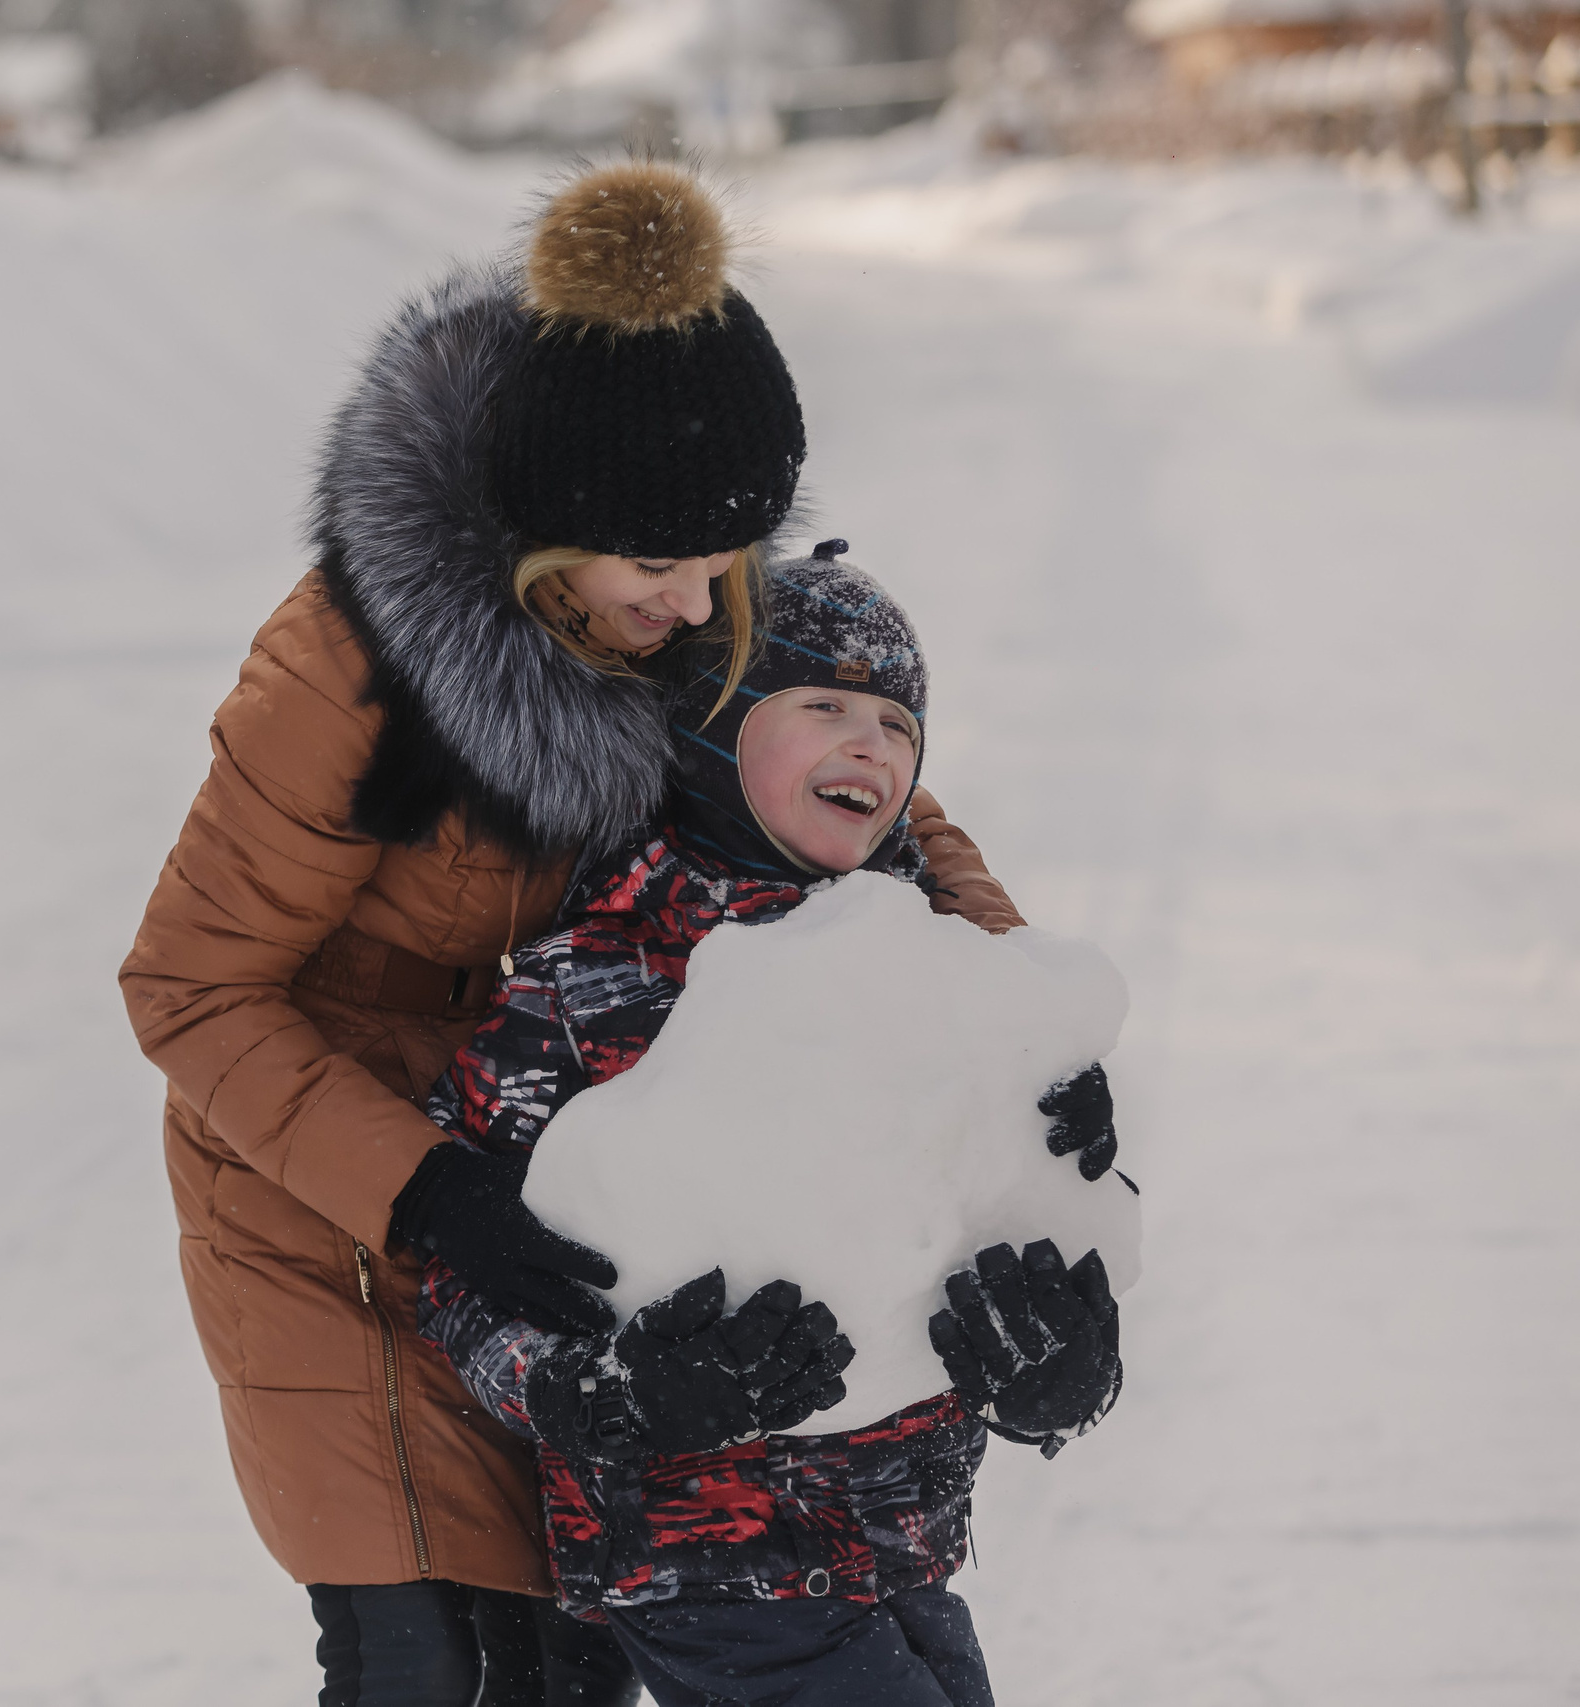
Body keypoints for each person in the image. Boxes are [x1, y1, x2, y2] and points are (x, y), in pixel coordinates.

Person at [117, 160, 1027, 1707]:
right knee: (424, 1662)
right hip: (340, 1193)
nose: (690, 605)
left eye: (722, 563)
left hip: (579, 1174)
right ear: (545, 535)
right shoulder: (355, 659)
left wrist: (1012, 1012)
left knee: (571, 1661)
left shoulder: (698, 603)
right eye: (653, 568)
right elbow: (191, 988)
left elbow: (867, 807)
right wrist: (427, 1192)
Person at [414, 547, 1128, 1707]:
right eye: (824, 704)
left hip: (901, 1544)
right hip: (703, 1565)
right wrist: (601, 1397)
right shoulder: (595, 984)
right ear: (707, 726)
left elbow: (983, 1231)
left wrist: (1058, 1352)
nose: (873, 744)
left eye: (900, 724)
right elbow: (462, 1281)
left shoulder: (935, 980)